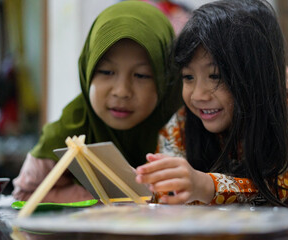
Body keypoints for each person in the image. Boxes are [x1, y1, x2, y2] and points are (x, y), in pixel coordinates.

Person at [136, 0, 288, 207]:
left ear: (256, 74)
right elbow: (168, 196)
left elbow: (278, 190)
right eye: (188, 77)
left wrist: (206, 185)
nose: (198, 95)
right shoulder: (180, 124)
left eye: (216, 76)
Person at [12, 0, 181, 203]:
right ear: (87, 71)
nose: (121, 91)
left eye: (141, 75)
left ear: (166, 79)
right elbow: (25, 193)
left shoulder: (187, 127)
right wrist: (103, 199)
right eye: (106, 72)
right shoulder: (71, 128)